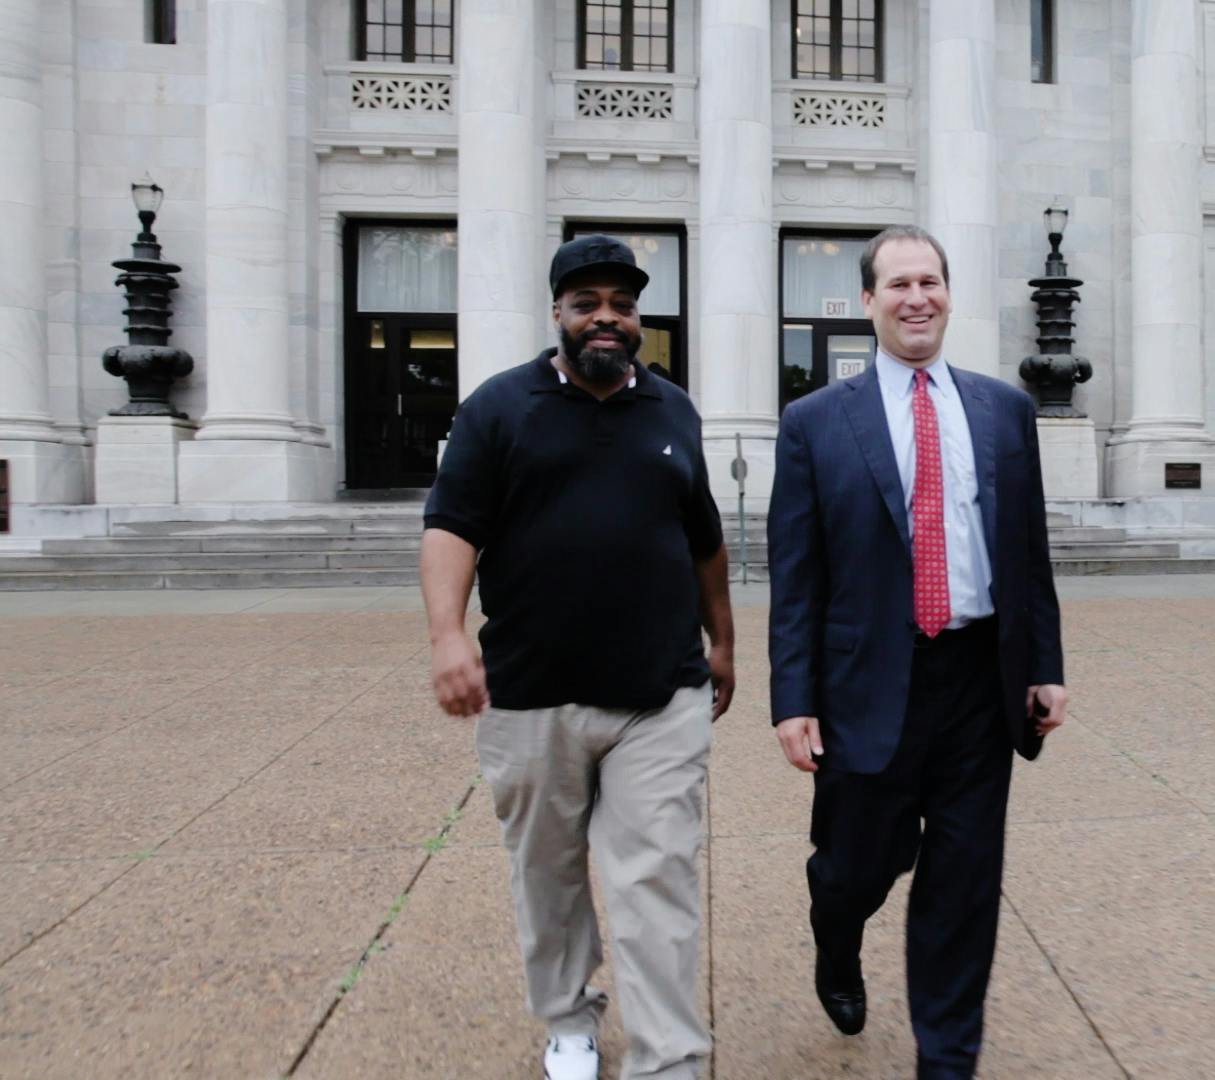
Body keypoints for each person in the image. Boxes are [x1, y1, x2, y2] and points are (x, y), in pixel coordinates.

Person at [420, 234, 734, 1080]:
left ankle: (669, 1057)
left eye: (622, 306)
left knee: (657, 877)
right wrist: (449, 637)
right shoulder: (497, 408)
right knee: (548, 876)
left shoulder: (674, 409)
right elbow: (451, 527)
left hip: (657, 693)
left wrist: (725, 641)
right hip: (531, 694)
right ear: (557, 313)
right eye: (587, 303)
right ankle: (568, 1021)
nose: (606, 318)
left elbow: (704, 537)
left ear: (638, 320)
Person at [766, 225, 1069, 1079]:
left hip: (979, 678)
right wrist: (794, 698)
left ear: (948, 293)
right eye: (897, 284)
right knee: (858, 864)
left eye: (930, 281)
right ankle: (837, 937)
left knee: (965, 879)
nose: (916, 298)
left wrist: (1044, 665)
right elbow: (798, 575)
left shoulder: (1005, 410)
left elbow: (1026, 552)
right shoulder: (816, 423)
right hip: (868, 681)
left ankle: (947, 1059)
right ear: (868, 302)